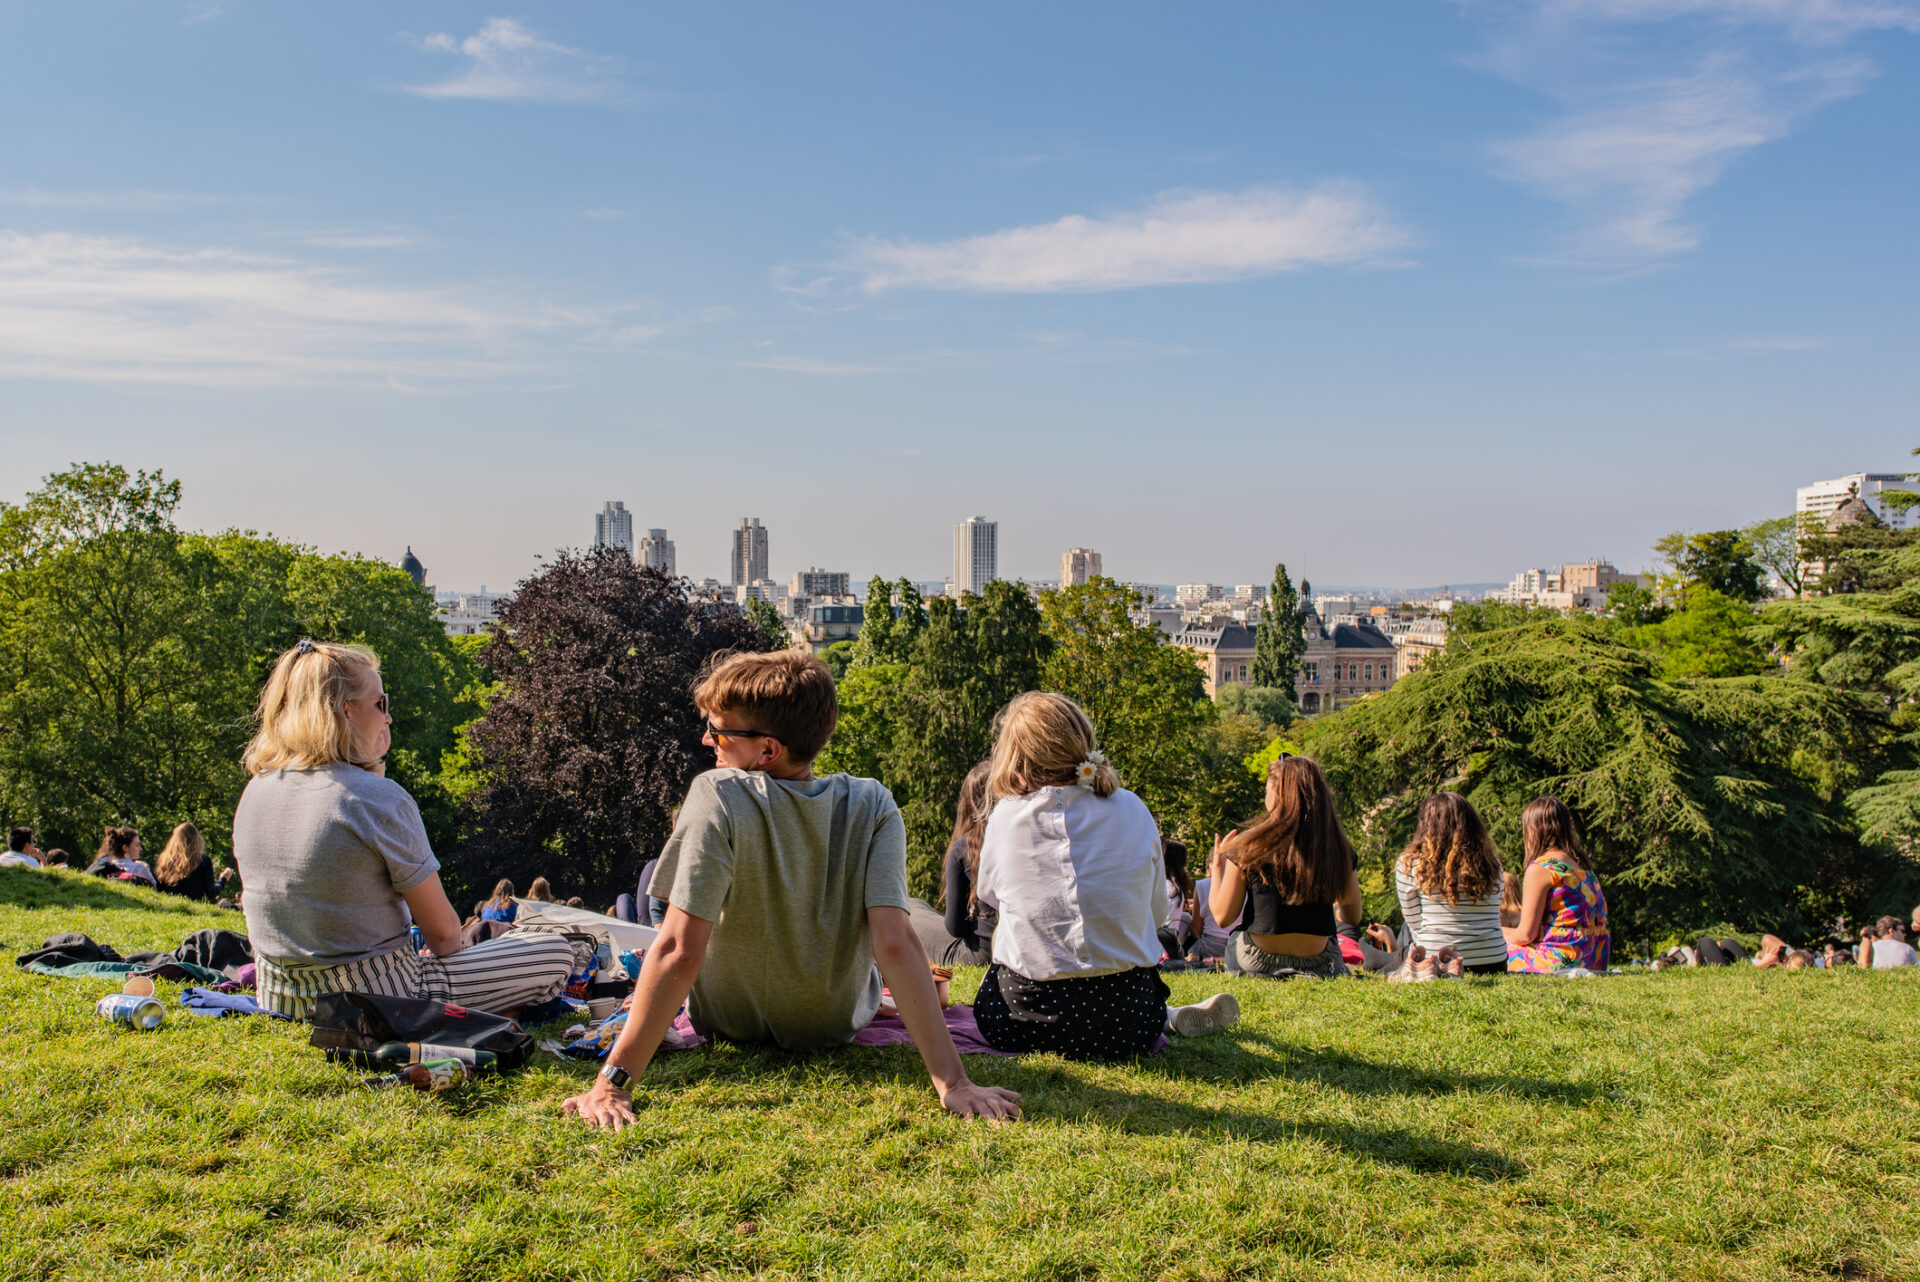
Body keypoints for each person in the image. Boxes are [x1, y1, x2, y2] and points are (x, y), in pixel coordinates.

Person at [563, 649, 1020, 1128]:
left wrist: (610, 1083)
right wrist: (954, 1083)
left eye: (719, 731)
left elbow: (678, 948)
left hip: (726, 1025)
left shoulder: (717, 794)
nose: (707, 739)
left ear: (767, 750)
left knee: (660, 918)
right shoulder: (872, 803)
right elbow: (894, 942)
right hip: (834, 1027)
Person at [234, 639, 576, 1020]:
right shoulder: (377, 799)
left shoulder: (256, 790)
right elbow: (445, 938)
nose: (388, 717)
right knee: (557, 951)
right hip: (383, 998)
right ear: (346, 711)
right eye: (381, 704)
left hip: (280, 997)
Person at [971, 692, 1238, 1057]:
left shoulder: (1006, 817)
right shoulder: (1132, 807)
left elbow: (989, 896)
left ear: (1017, 756)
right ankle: (1169, 1017)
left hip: (1024, 1022)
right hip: (1128, 1022)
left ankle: (1169, 1017)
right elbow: (1158, 914)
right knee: (1128, 995)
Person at [1209, 756, 1364, 979]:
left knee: (1236, 939)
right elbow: (1352, 916)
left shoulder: (1248, 846)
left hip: (1257, 960)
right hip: (1320, 961)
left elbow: (1223, 916)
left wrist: (1217, 867)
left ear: (1277, 794)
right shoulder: (1338, 848)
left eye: (1266, 790)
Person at [1392, 793, 1509, 975]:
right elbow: (1496, 907)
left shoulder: (1410, 864)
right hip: (1492, 961)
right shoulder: (1492, 863)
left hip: (1436, 962)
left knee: (1393, 961)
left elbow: (1413, 922)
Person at [1504, 797, 1610, 973]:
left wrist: (1494, 931)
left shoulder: (1542, 868)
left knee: (1491, 950)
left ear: (1532, 831)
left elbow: (1524, 935)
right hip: (1595, 960)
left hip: (1561, 960)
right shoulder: (1585, 870)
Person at [153, 822, 219, 901]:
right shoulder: (203, 861)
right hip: (194, 904)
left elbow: (159, 887)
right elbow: (211, 892)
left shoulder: (164, 860)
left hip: (169, 903)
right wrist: (223, 880)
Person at [1159, 838, 1196, 959]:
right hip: (1170, 942)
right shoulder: (1177, 888)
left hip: (1159, 943)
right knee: (1186, 917)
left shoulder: (1163, 887)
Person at [86, 826, 156, 887]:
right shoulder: (140, 868)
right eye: (137, 845)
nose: (140, 849)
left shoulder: (105, 863)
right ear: (125, 848)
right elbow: (154, 888)